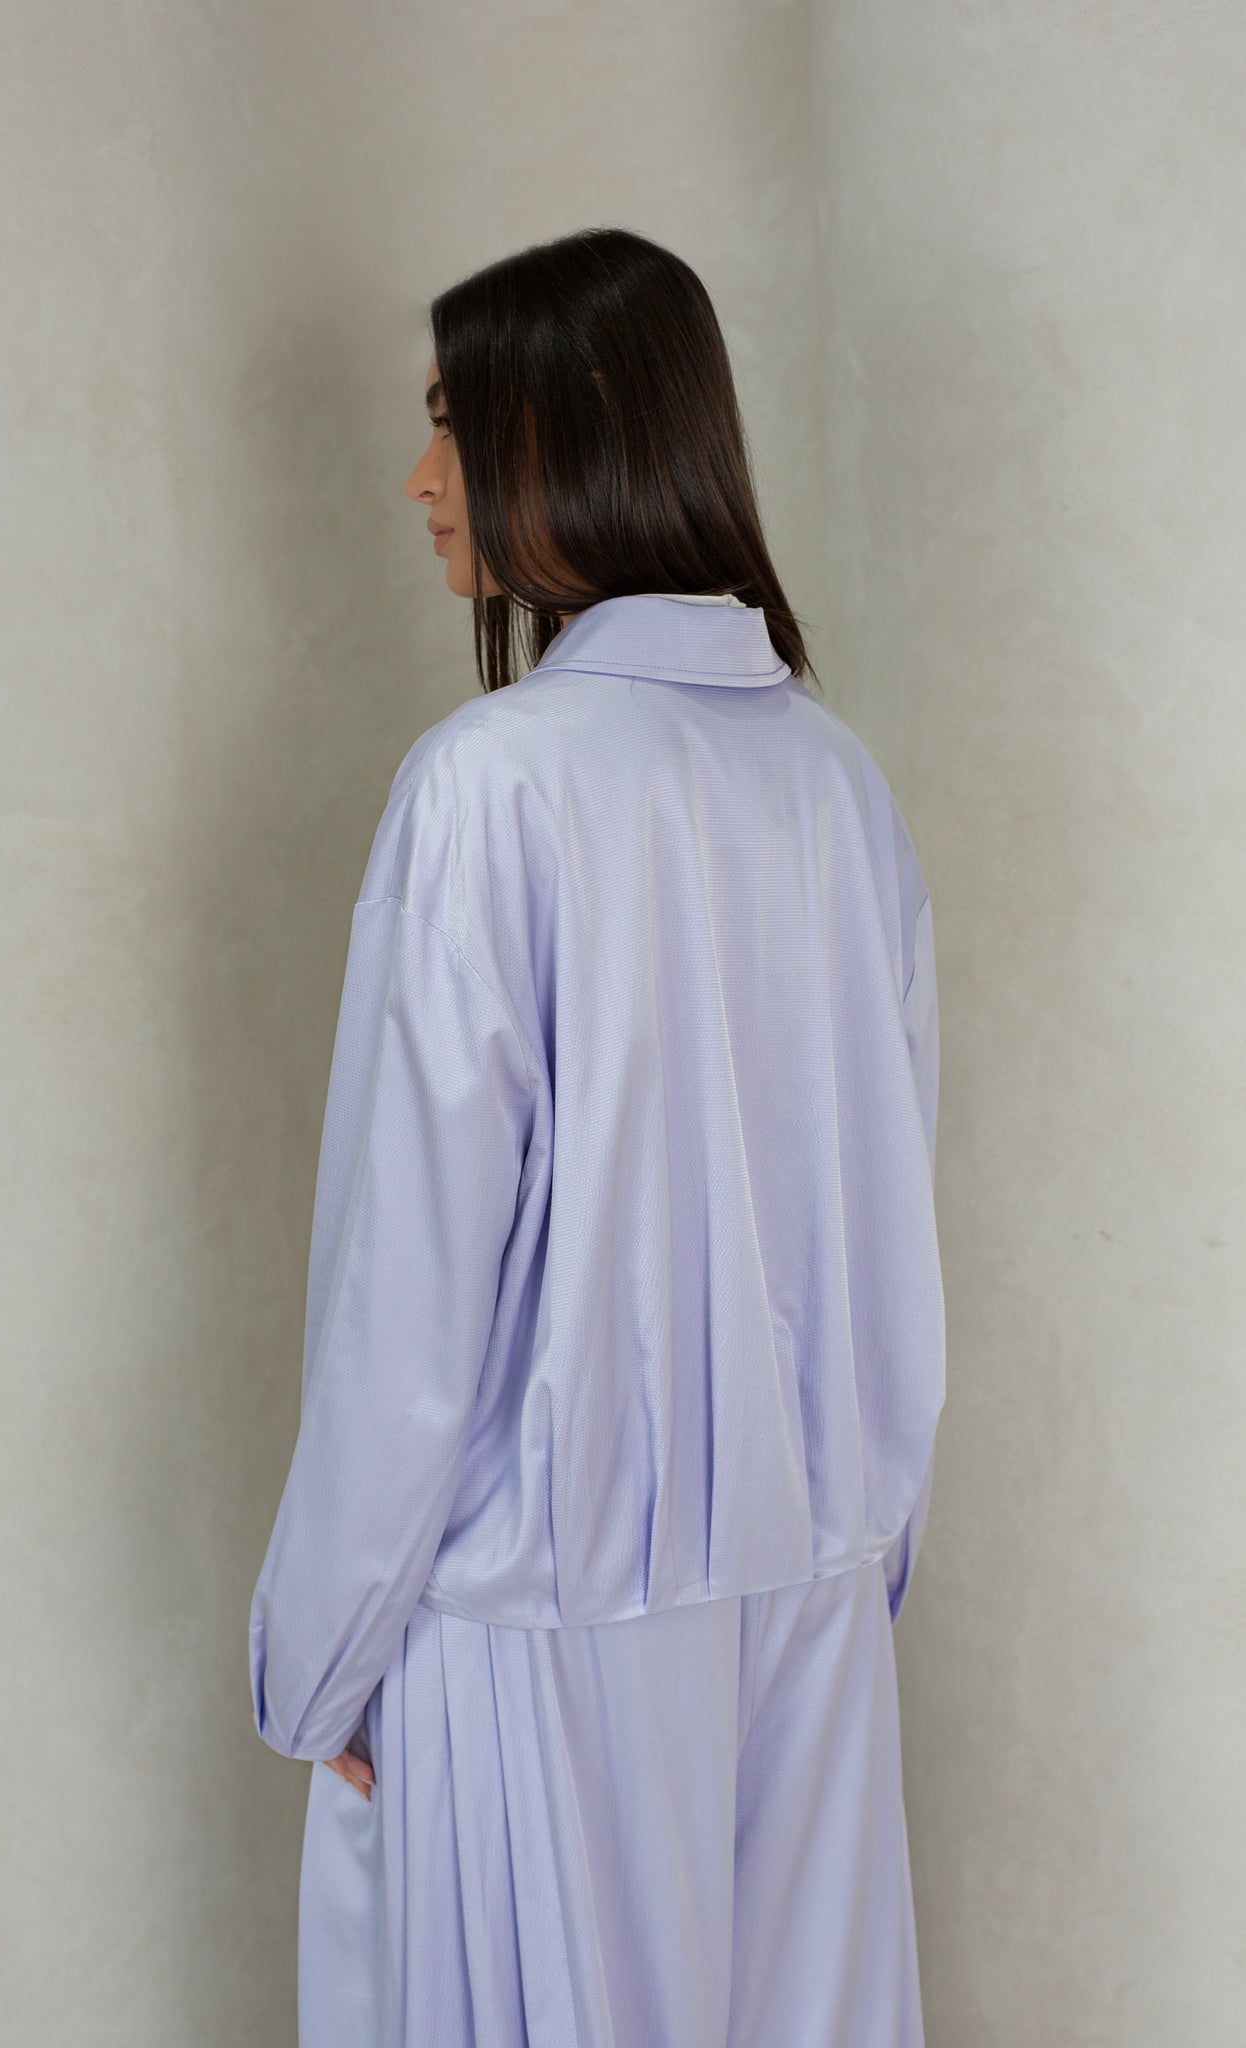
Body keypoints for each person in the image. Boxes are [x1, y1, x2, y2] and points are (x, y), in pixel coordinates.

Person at [248, 226, 944, 2048]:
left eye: (448, 422)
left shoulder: (492, 784)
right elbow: (891, 1236)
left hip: (537, 1636)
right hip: (809, 1617)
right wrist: (849, 1551)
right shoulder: (837, 785)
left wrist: (320, 1660)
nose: (420, 481)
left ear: (562, 433)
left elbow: (409, 1301)